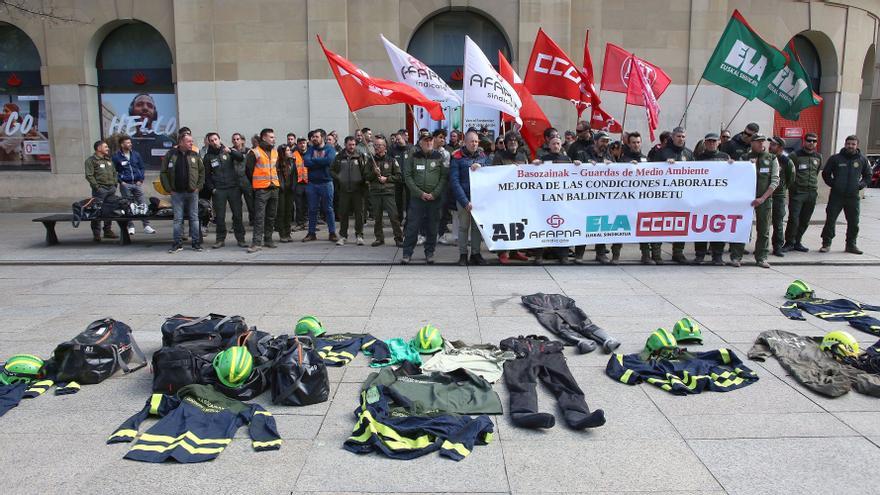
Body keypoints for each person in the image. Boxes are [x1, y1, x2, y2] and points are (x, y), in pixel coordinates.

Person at [729, 134, 778, 268]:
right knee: (742, 228)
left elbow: (775, 181)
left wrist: (763, 198)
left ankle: (761, 257)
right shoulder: (744, 158)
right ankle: (736, 256)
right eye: (758, 142)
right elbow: (735, 176)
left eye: (763, 141)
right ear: (752, 143)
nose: (761, 144)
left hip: (763, 199)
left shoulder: (772, 158)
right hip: (745, 200)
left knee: (764, 229)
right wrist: (731, 165)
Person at [819, 135, 871, 255]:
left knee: (854, 221)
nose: (850, 146)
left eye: (853, 144)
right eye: (848, 144)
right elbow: (826, 174)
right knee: (830, 220)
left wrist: (860, 185)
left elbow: (868, 176)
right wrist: (834, 184)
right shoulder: (835, 159)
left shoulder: (862, 160)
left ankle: (851, 245)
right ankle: (826, 244)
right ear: (845, 144)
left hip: (853, 197)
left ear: (857, 145)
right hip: (837, 196)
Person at [400, 134, 447, 264]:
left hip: (434, 199)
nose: (429, 143)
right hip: (417, 199)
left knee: (432, 227)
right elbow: (408, 176)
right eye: (425, 141)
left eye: (430, 140)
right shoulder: (413, 157)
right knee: (412, 227)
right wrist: (420, 193)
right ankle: (407, 253)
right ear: (420, 143)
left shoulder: (439, 157)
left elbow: (444, 177)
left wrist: (435, 193)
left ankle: (429, 252)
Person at [489, 132, 530, 264]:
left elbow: (527, 173)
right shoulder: (499, 156)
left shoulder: (522, 156)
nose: (513, 142)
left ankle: (514, 251)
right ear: (506, 144)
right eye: (510, 141)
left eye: (515, 140)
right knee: (504, 224)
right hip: (503, 197)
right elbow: (495, 175)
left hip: (518, 197)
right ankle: (502, 252)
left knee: (517, 224)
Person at [160, 132, 205, 253]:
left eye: (192, 141)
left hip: (192, 192)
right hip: (177, 193)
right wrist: (169, 188)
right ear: (181, 142)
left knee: (194, 218)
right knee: (177, 219)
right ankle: (177, 243)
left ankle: (196, 243)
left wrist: (198, 187)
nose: (192, 143)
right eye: (189, 141)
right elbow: (163, 172)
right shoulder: (170, 155)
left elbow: (202, 172)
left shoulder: (195, 155)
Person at [619, 131, 659, 264]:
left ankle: (646, 255)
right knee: (620, 227)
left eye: (638, 142)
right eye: (633, 142)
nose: (636, 145)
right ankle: (615, 254)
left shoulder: (646, 159)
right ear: (628, 144)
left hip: (643, 200)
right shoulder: (622, 159)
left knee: (645, 227)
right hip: (626, 200)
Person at [532, 137, 574, 265]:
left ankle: (564, 255)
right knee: (542, 226)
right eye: (553, 144)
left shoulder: (567, 160)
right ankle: (539, 255)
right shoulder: (543, 160)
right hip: (546, 200)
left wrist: (576, 165)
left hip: (562, 200)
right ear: (549, 145)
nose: (556, 146)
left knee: (564, 227)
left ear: (561, 145)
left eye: (558, 144)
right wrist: (534, 165)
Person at [450, 130, 489, 266]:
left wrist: (482, 166)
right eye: (471, 141)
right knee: (463, 227)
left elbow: (490, 173)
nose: (474, 144)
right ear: (465, 142)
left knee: (477, 228)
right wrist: (465, 201)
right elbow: (454, 182)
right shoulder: (457, 157)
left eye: (476, 141)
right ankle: (463, 254)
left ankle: (476, 254)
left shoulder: (483, 156)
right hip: (464, 199)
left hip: (479, 200)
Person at [656, 127, 695, 264]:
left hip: (683, 196)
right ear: (672, 137)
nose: (681, 139)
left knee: (681, 223)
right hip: (664, 195)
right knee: (660, 223)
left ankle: (678, 252)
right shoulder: (662, 152)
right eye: (678, 136)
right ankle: (656, 253)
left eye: (683, 136)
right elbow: (651, 170)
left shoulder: (689, 154)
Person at [694, 133, 733, 265]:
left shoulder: (725, 157)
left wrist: (734, 166)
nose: (711, 143)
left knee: (719, 229)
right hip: (703, 199)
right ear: (705, 143)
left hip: (720, 200)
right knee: (700, 228)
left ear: (718, 143)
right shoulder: (698, 158)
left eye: (714, 141)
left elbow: (733, 176)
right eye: (709, 141)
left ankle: (717, 256)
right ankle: (699, 255)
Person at [204, 132, 246, 249]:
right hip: (219, 190)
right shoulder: (208, 157)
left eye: (215, 139)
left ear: (219, 139)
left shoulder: (228, 151)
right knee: (220, 217)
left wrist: (231, 151)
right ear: (209, 142)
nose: (214, 142)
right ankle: (220, 239)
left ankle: (241, 239)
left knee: (237, 215)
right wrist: (212, 189)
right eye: (211, 140)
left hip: (233, 188)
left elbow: (241, 157)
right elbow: (206, 176)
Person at [782, 133, 822, 253]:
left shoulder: (818, 157)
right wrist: (792, 187)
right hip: (798, 192)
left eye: (814, 141)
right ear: (804, 141)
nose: (811, 143)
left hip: (811, 193)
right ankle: (789, 242)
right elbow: (788, 172)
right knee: (794, 219)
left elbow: (817, 172)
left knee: (805, 219)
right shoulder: (795, 155)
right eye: (809, 141)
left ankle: (797, 241)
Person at [244, 128, 280, 252]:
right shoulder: (254, 152)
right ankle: (256, 243)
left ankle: (268, 239)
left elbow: (277, 169)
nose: (273, 139)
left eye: (274, 137)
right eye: (271, 137)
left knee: (271, 216)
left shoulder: (275, 152)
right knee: (259, 217)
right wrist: (256, 183)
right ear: (264, 138)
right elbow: (248, 171)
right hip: (261, 189)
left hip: (274, 187)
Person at [112, 134, 154, 236]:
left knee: (142, 203)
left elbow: (141, 167)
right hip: (125, 184)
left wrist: (141, 179)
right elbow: (113, 171)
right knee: (128, 205)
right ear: (122, 145)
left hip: (137, 183)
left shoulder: (136, 154)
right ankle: (130, 226)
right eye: (127, 143)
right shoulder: (116, 157)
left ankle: (146, 225)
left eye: (130, 142)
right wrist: (121, 182)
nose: (130, 144)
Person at [365, 136, 403, 247]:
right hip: (375, 192)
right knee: (377, 218)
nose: (376, 147)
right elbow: (366, 177)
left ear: (385, 147)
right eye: (375, 145)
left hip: (388, 192)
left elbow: (399, 176)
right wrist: (374, 172)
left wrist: (387, 179)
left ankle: (398, 238)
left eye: (379, 145)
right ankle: (379, 238)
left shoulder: (391, 160)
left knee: (393, 216)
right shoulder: (371, 160)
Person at [302, 129, 338, 243]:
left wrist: (314, 160)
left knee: (328, 209)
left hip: (326, 183)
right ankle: (311, 233)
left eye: (316, 136)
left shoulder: (330, 149)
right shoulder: (310, 149)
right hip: (312, 184)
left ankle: (332, 233)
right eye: (313, 137)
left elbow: (329, 160)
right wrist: (320, 162)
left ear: (322, 137)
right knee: (312, 209)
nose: (314, 138)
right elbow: (306, 162)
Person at [331, 136, 369, 246]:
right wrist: (338, 177)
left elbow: (366, 171)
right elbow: (331, 170)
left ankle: (359, 235)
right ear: (345, 144)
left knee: (359, 214)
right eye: (349, 145)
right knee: (343, 214)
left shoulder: (361, 156)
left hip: (358, 190)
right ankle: (343, 236)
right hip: (343, 190)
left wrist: (365, 180)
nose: (352, 147)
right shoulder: (339, 157)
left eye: (353, 145)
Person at [84, 140, 119, 242]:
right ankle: (96, 234)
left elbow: (114, 173)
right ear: (99, 148)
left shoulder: (108, 160)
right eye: (105, 147)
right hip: (100, 190)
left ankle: (107, 230)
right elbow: (89, 175)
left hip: (111, 189)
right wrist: (97, 187)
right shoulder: (91, 161)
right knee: (96, 211)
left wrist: (114, 184)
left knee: (109, 210)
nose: (107, 149)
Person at [769, 136, 795, 257]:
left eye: (773, 145)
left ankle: (778, 246)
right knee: (762, 223)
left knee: (778, 222)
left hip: (778, 196)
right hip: (764, 194)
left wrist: (782, 189)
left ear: (780, 147)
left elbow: (791, 178)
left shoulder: (786, 161)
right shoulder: (766, 158)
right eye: (770, 144)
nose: (770, 146)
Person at [275, 132, 300, 242]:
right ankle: (282, 234)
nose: (290, 152)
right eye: (287, 151)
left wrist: (294, 186)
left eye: (290, 150)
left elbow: (295, 175)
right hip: (281, 190)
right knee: (282, 212)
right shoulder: (278, 164)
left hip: (290, 189)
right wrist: (281, 186)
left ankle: (288, 233)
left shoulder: (292, 161)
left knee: (289, 212)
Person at [389, 132, 414, 223]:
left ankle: (409, 219)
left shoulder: (412, 149)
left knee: (409, 200)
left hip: (409, 179)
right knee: (397, 200)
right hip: (397, 179)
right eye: (396, 139)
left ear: (404, 138)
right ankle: (399, 218)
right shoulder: (393, 149)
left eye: (398, 139)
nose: (397, 141)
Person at [230, 132, 254, 226]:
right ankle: (236, 223)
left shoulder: (248, 151)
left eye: (238, 139)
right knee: (236, 204)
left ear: (242, 140)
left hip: (246, 180)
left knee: (250, 202)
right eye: (234, 139)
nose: (236, 141)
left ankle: (253, 220)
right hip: (234, 181)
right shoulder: (230, 151)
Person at [292, 137, 309, 231]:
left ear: (306, 144)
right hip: (298, 183)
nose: (302, 145)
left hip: (308, 183)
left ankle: (306, 222)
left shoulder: (310, 154)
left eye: (304, 143)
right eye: (300, 143)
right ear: (297, 145)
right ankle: (299, 223)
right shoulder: (293, 155)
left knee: (307, 204)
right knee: (298, 205)